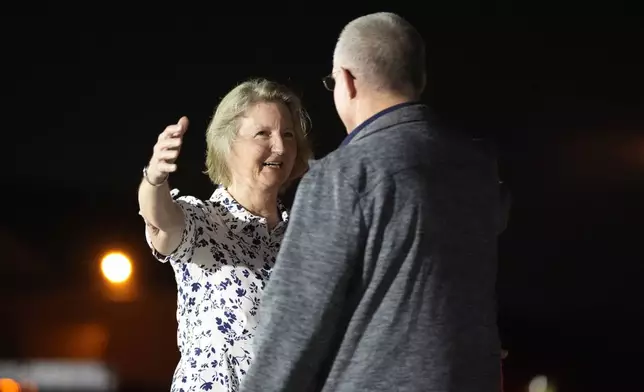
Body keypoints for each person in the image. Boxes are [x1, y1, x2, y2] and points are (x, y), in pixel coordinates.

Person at [240, 13, 503, 392]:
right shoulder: (478, 170)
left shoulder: (344, 175)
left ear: (347, 81)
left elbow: (292, 329)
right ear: (420, 79)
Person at [137, 78, 312, 392]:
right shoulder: (204, 223)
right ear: (228, 144)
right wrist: (154, 177)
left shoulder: (303, 242)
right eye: (263, 134)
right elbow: (160, 217)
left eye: (288, 134)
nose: (281, 146)